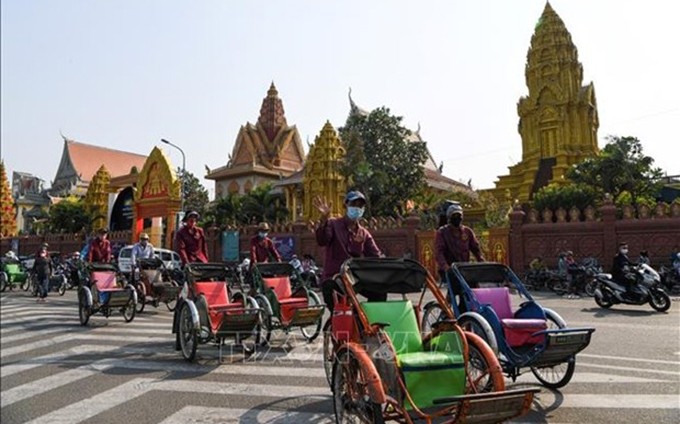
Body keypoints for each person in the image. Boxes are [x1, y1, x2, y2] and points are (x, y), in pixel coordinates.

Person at [314, 190, 383, 312]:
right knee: (339, 306)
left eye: (360, 206)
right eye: (354, 204)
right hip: (334, 277)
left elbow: (376, 255)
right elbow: (322, 240)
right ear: (345, 205)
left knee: (380, 291)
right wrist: (323, 220)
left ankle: (369, 320)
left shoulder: (363, 233)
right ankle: (336, 325)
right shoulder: (333, 224)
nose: (357, 208)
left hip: (355, 279)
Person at [435, 203, 484, 308]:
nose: (457, 218)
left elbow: (476, 249)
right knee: (456, 287)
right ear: (449, 217)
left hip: (464, 268)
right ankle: (446, 310)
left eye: (459, 216)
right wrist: (445, 266)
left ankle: (467, 312)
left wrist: (481, 261)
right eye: (454, 216)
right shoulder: (442, 232)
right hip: (448, 269)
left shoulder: (467, 232)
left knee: (472, 288)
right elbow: (439, 252)